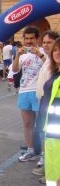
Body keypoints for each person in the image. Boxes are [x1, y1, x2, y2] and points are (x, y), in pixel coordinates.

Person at [12, 26, 45, 162]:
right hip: (24, 91)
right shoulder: (22, 53)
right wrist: (18, 55)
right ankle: (30, 151)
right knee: (27, 124)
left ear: (37, 39)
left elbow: (51, 66)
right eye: (27, 38)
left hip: (39, 92)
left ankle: (43, 154)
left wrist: (40, 55)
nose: (29, 41)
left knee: (42, 124)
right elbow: (14, 70)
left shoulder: (44, 51)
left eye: (32, 38)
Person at [39, 37, 60, 186]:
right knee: (53, 170)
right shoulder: (55, 72)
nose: (57, 52)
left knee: (59, 172)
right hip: (51, 130)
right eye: (56, 50)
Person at [33, 31, 59, 177]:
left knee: (49, 138)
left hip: (52, 107)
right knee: (45, 137)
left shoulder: (54, 62)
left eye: (49, 42)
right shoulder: (49, 61)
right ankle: (48, 166)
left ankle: (50, 169)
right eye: (44, 42)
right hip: (44, 104)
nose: (46, 45)